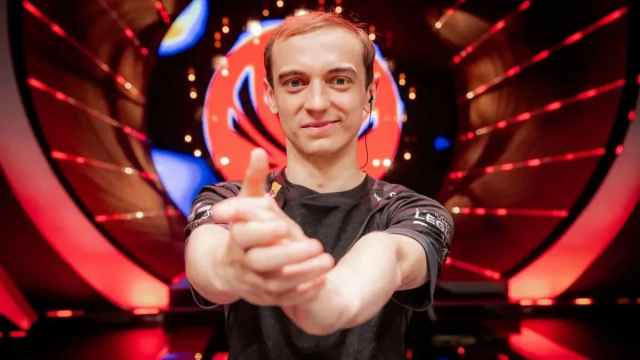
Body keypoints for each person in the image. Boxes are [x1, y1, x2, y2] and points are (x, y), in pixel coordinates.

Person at [184, 10, 453, 360]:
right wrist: (234, 267)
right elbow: (207, 261)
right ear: (270, 96)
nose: (316, 104)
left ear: (369, 95)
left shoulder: (414, 211)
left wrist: (334, 299)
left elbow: (391, 254)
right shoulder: (231, 201)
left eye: (339, 81)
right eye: (295, 82)